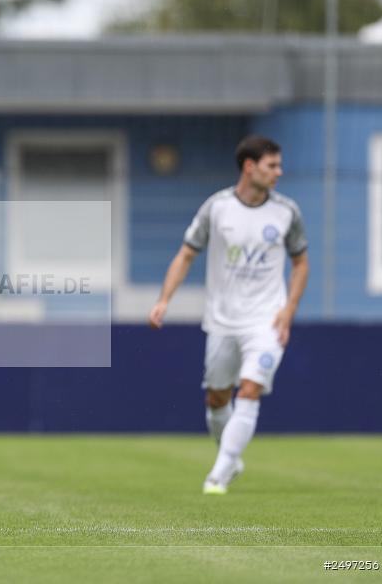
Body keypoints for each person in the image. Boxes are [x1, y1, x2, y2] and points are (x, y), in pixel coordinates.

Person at [148, 135, 309, 495]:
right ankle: (231, 459)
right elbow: (186, 254)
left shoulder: (287, 212)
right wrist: (164, 300)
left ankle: (217, 475)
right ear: (249, 167)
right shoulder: (216, 208)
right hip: (223, 320)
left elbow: (300, 264)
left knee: (250, 389)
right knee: (217, 399)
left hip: (266, 319)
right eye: (272, 166)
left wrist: (289, 309)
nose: (278, 173)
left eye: (279, 165)